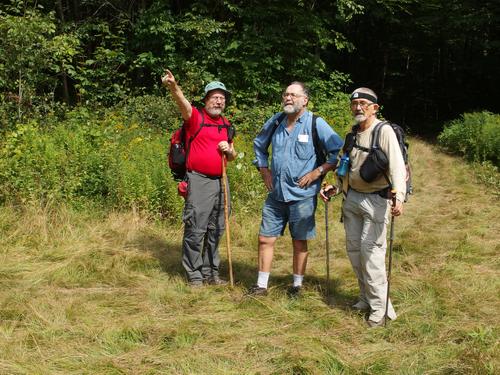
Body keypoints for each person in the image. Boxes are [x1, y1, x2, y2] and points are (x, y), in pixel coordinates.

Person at [320, 87, 406, 327]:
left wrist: (399, 197)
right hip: (352, 200)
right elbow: (345, 166)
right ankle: (365, 297)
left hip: (377, 201)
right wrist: (335, 188)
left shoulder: (384, 131)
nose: (358, 107)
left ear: (374, 108)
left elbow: (398, 166)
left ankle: (380, 310)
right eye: (354, 103)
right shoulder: (353, 134)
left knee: (373, 256)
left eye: (363, 104)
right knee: (355, 253)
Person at [248, 81, 343, 296]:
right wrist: (263, 170)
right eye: (285, 94)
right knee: (265, 238)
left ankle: (297, 286)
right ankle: (261, 286)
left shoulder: (315, 123)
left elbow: (337, 152)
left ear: (305, 100)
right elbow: (259, 145)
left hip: (303, 195)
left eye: (293, 95)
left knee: (299, 241)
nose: (288, 98)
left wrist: (318, 172)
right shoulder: (276, 121)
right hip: (276, 193)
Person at [161, 69, 236, 287]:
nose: (219, 101)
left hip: (221, 181)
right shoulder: (196, 118)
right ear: (206, 100)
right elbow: (182, 103)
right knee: (196, 228)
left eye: (222, 98)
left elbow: (232, 156)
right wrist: (173, 86)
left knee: (217, 229)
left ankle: (211, 273)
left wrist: (229, 151)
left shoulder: (227, 125)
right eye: (214, 97)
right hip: (199, 180)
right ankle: (194, 275)